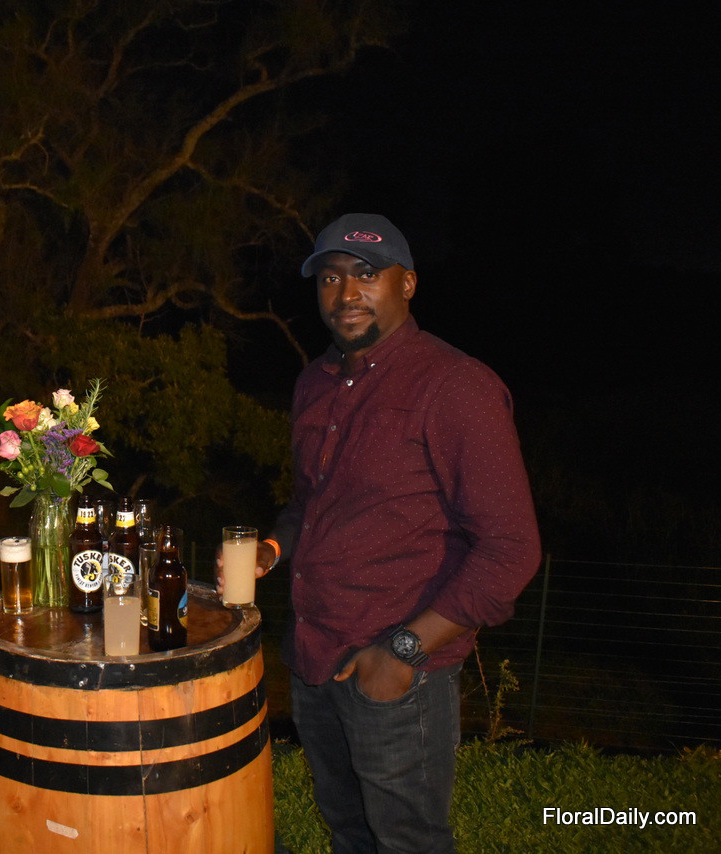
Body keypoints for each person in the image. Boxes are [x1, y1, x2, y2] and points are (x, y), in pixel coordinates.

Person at [225, 214, 540, 853]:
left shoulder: (456, 386)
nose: (346, 294)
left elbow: (511, 549)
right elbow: (311, 501)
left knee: (407, 840)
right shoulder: (314, 383)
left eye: (367, 274)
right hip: (315, 656)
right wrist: (274, 548)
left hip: (396, 673)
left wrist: (403, 651)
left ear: (408, 284)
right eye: (330, 277)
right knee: (348, 829)